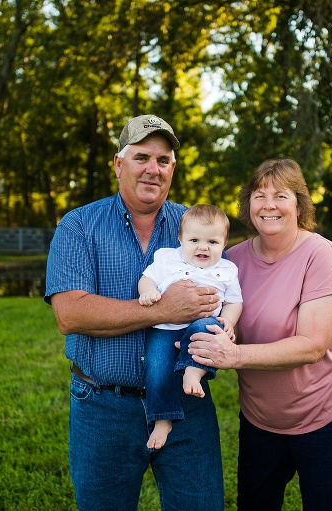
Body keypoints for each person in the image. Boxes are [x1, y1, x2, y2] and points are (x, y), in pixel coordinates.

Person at [45, 114, 225, 511]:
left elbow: (222, 294)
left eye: (163, 161)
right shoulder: (79, 226)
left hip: (185, 405)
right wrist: (162, 308)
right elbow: (70, 315)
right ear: (118, 164)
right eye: (141, 157)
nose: (152, 169)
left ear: (173, 169)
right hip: (103, 406)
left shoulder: (194, 226)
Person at [187, 158, 332, 511]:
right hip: (261, 416)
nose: (269, 205)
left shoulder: (320, 253)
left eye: (281, 195)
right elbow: (205, 315)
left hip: (328, 407)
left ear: (299, 205)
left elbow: (312, 345)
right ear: (248, 204)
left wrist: (235, 356)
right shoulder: (230, 261)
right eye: (260, 195)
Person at [138, 204, 243, 449]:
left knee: (209, 328)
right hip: (165, 327)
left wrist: (228, 319)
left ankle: (194, 370)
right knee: (156, 367)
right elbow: (147, 278)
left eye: (212, 242)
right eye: (194, 239)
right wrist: (148, 291)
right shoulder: (167, 258)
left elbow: (234, 301)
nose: (203, 247)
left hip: (201, 325)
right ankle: (162, 419)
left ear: (224, 243)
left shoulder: (227, 269)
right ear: (181, 239)